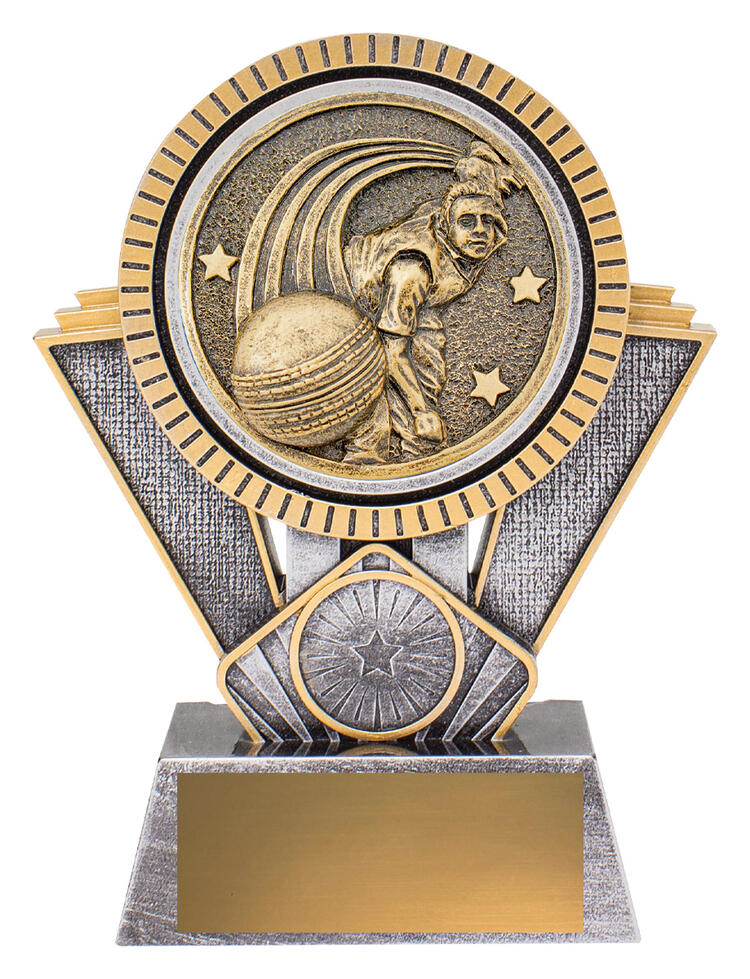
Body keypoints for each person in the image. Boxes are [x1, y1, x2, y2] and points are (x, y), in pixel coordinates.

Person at [341, 140, 522, 464]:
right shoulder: (414, 268)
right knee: (377, 383)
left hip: (421, 304)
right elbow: (392, 351)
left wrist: (487, 173)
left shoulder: (459, 225)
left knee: (429, 365)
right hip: (354, 300)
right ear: (446, 225)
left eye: (489, 221)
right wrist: (421, 410)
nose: (480, 231)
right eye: (467, 222)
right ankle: (369, 456)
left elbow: (476, 197)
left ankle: (417, 446)